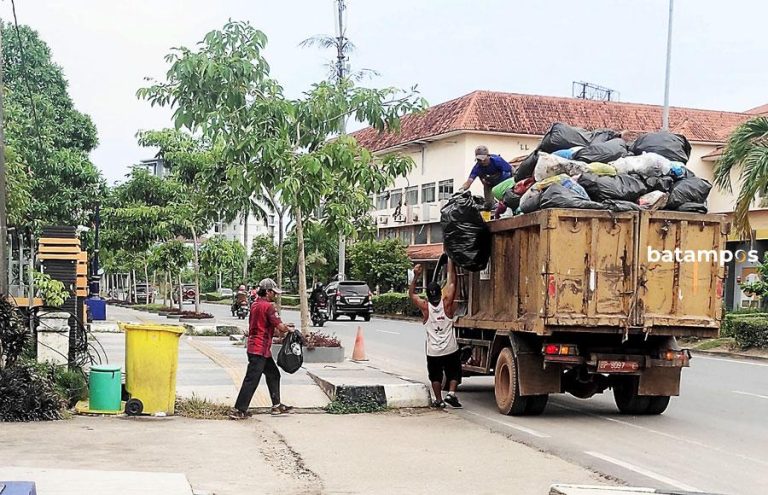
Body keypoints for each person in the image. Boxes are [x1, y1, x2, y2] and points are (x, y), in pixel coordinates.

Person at [230, 278, 296, 419]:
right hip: (259, 349)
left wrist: (282, 330)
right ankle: (239, 410)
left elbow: (269, 327)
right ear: (267, 292)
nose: (276, 295)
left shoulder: (255, 305)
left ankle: (276, 406)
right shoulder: (268, 307)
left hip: (259, 348)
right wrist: (289, 329)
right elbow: (280, 327)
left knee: (273, 374)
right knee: (252, 379)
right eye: (274, 292)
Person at [408, 260, 462, 409]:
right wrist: (452, 264)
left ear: (428, 296)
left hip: (434, 351)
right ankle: (451, 393)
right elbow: (452, 284)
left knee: (435, 375)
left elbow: (412, 294)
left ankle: (439, 400)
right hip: (450, 348)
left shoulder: (425, 308)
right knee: (454, 372)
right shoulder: (447, 304)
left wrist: (416, 276)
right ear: (440, 293)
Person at [459, 145, 512, 209]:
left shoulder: (497, 161)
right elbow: (469, 181)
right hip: (489, 184)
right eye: (479, 160)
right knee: (488, 205)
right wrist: (461, 189)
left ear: (488, 156)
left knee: (507, 200)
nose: (482, 162)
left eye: (483, 159)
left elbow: (511, 170)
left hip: (503, 181)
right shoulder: (477, 168)